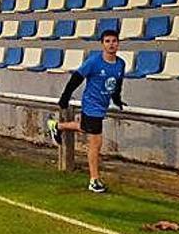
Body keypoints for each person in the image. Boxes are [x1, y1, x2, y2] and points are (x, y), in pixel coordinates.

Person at [47, 29, 126, 193]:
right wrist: (65, 97)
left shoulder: (120, 64)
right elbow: (77, 77)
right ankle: (94, 180)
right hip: (91, 105)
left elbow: (117, 83)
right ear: (102, 44)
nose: (111, 44)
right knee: (96, 143)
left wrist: (117, 99)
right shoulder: (94, 62)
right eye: (108, 41)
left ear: (118, 43)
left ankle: (57, 126)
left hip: (102, 105)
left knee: (83, 127)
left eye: (114, 41)